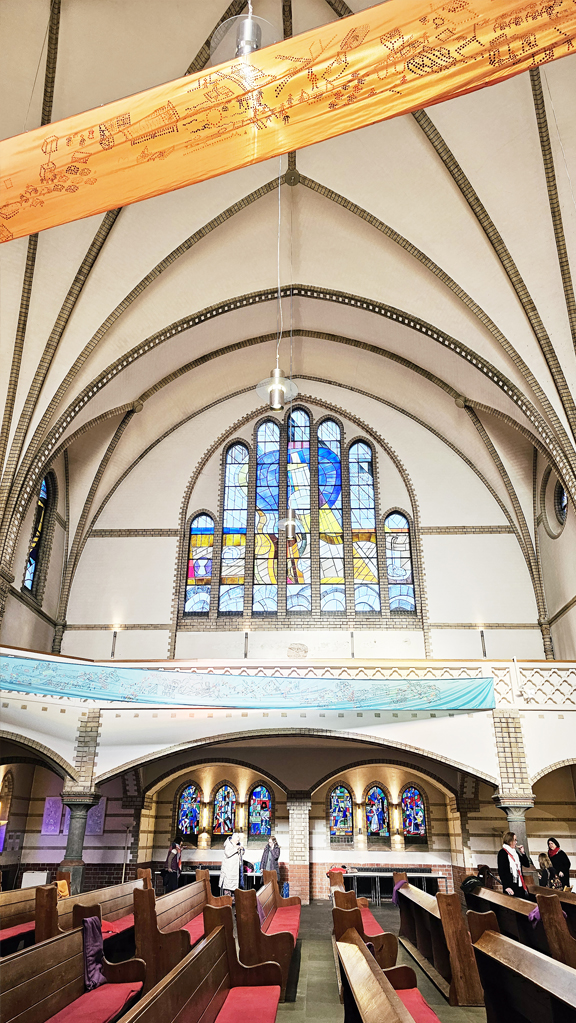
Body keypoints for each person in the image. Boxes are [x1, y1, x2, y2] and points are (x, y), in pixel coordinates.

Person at [497, 831, 530, 897]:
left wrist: (523, 853)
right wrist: (506, 886)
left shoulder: (515, 853)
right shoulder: (502, 853)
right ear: (509, 841)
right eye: (514, 840)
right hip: (510, 885)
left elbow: (526, 864)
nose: (516, 842)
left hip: (519, 883)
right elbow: (501, 871)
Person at [219, 832, 244, 897]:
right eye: (237, 839)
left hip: (235, 873)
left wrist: (241, 849)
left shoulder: (237, 845)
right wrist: (236, 848)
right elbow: (228, 853)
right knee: (228, 893)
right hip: (229, 873)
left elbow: (241, 854)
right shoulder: (228, 844)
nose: (238, 840)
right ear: (233, 838)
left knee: (234, 894)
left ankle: (233, 902)